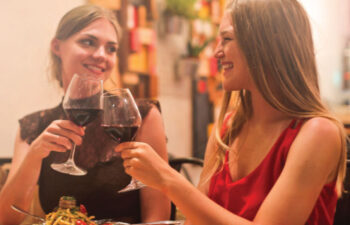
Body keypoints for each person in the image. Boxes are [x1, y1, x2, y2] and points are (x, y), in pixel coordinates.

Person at [114, 0, 348, 225]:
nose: (217, 52)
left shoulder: (318, 133)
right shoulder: (228, 126)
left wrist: (168, 179)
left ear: (267, 44)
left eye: (226, 39)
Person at [0, 4, 170, 225]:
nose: (101, 55)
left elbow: (157, 217)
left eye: (111, 48)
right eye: (88, 42)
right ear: (57, 46)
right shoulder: (33, 126)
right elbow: (6, 219)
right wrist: (35, 154)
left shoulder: (141, 116)